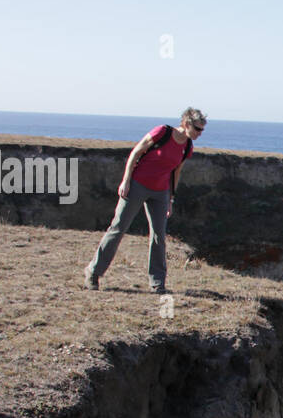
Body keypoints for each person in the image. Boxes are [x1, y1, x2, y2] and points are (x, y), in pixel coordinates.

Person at [84, 107, 206, 293]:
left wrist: (170, 198)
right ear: (186, 123)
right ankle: (93, 273)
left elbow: (176, 172)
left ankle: (157, 284)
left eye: (202, 130)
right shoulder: (162, 132)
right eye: (198, 129)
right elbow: (136, 153)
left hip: (161, 192)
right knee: (118, 228)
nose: (200, 133)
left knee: (159, 236)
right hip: (137, 185)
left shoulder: (187, 146)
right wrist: (126, 181)